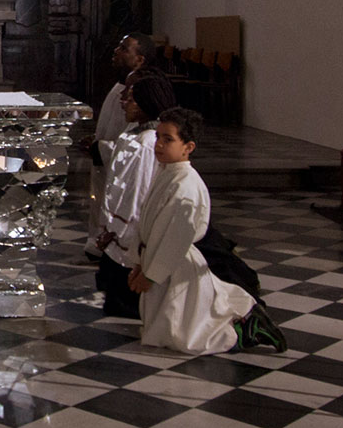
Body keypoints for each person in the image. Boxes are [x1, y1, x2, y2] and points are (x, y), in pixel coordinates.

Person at [130, 108, 287, 355]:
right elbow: (148, 222)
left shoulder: (186, 184)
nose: (158, 145)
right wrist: (139, 262)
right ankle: (244, 320)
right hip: (159, 260)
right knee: (165, 328)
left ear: (188, 147)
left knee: (186, 337)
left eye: (168, 139)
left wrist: (152, 274)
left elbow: (176, 237)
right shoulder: (167, 174)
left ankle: (243, 332)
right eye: (158, 137)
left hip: (177, 263)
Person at [95, 73, 175, 317]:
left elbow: (136, 195)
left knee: (123, 303)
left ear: (144, 105)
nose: (123, 102)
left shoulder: (146, 143)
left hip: (132, 236)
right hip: (122, 230)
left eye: (130, 99)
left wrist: (116, 232)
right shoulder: (138, 134)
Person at [85, 33, 154, 256]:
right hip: (105, 159)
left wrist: (101, 148)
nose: (116, 51)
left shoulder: (143, 95)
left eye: (124, 48)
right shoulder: (120, 87)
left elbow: (132, 144)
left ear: (140, 59)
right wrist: (97, 141)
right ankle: (99, 240)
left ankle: (111, 244)